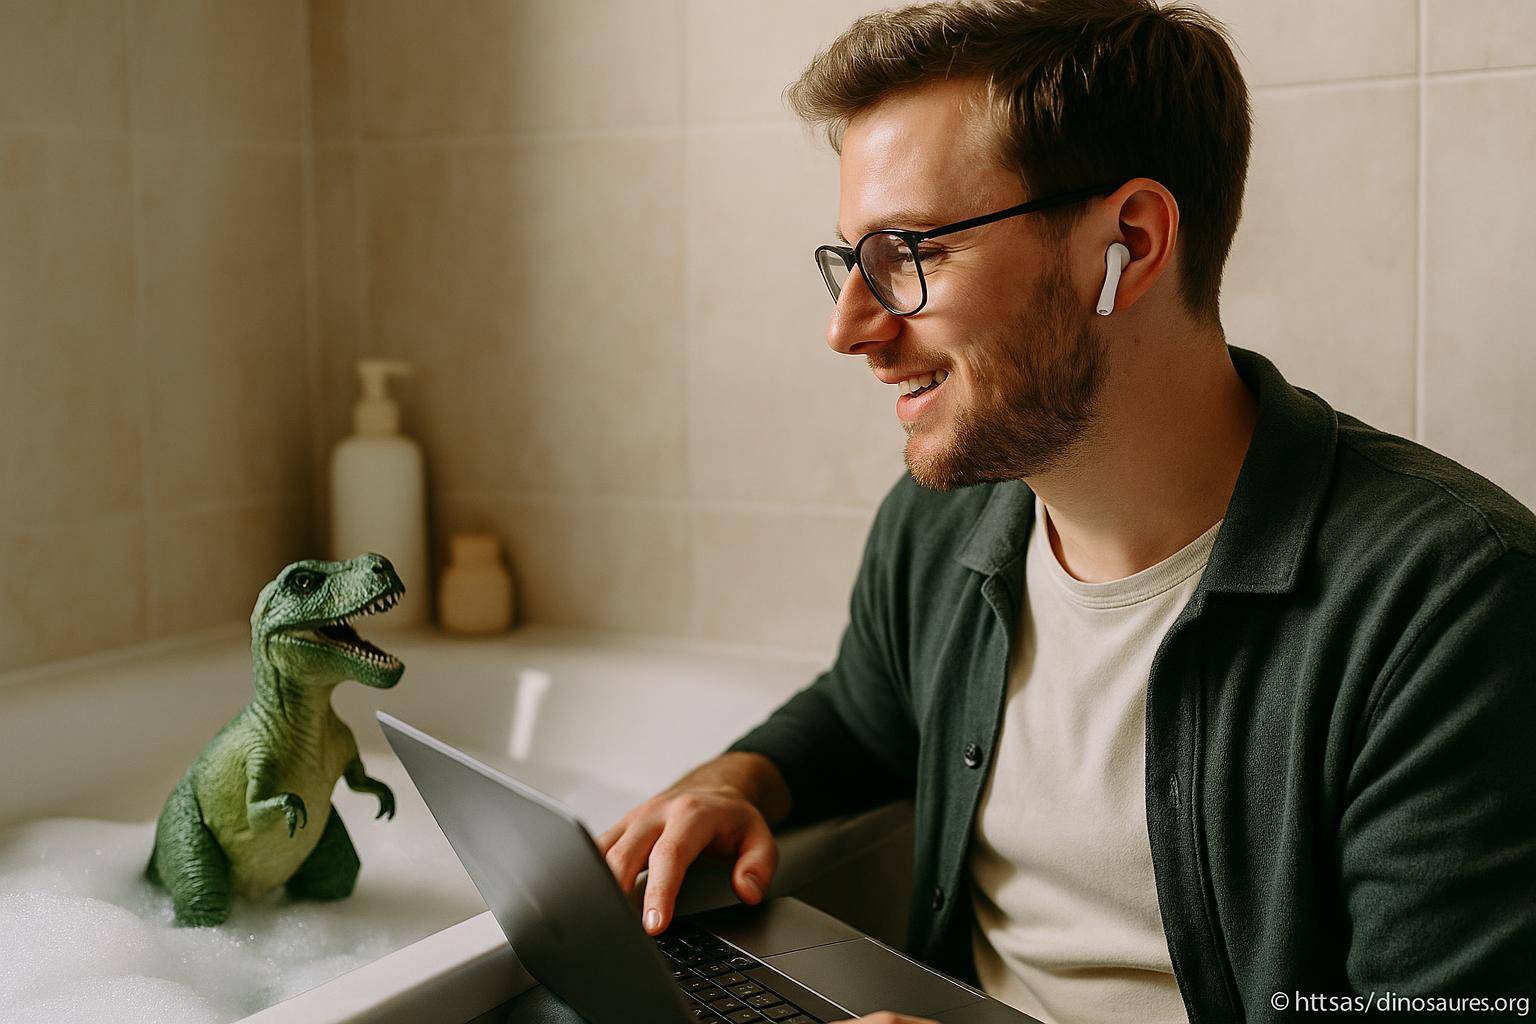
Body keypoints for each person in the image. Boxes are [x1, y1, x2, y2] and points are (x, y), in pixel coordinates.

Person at [597, 1, 1536, 1022]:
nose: (848, 327)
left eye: (909, 252)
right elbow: (862, 710)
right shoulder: (941, 528)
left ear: (1128, 242)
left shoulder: (1452, 607)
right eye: (850, 260)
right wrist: (741, 782)